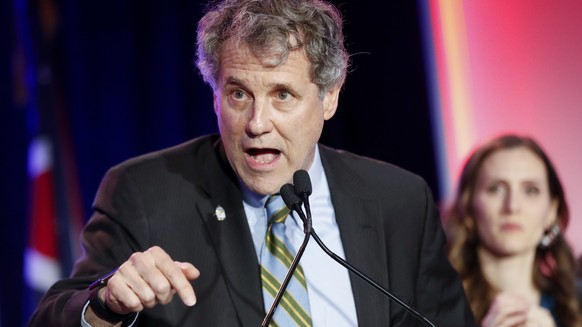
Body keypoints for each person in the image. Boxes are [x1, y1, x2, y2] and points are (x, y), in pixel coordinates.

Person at [28, 0, 476, 326]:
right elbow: (52, 318)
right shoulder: (144, 193)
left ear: (329, 96)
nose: (257, 123)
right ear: (215, 93)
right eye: (239, 94)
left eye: (282, 95)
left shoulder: (398, 202)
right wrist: (107, 305)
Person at [445, 134, 582, 327]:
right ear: (468, 207)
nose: (513, 206)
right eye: (496, 189)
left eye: (530, 190)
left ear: (551, 211)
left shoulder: (577, 302)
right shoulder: (435, 307)